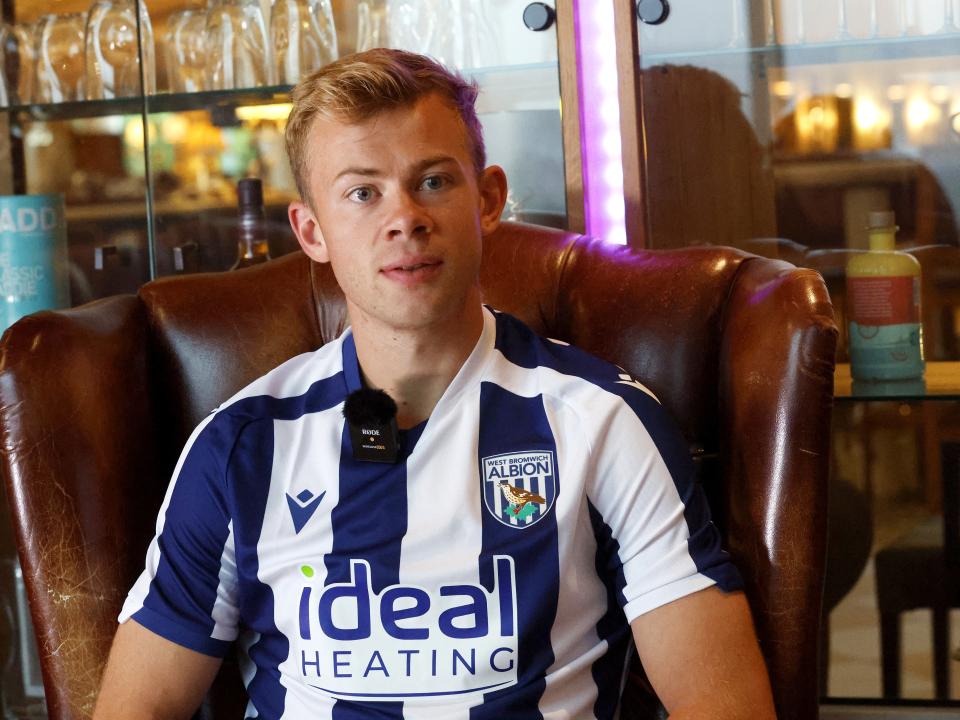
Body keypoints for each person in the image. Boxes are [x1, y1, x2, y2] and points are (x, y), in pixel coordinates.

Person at [93, 49, 776, 720]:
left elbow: (724, 702)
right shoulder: (242, 444)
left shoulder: (603, 421)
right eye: (363, 193)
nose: (404, 219)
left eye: (433, 182)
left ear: (489, 199)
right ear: (312, 230)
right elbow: (139, 704)